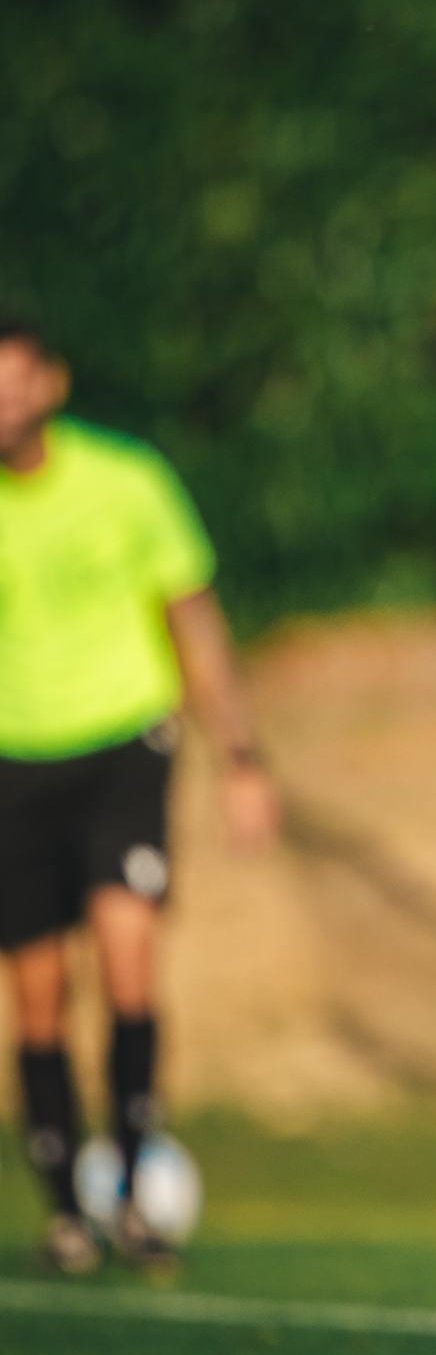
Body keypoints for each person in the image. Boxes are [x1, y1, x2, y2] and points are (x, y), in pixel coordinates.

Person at [0, 314, 276, 1274]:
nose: (5, 401)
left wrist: (241, 756)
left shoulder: (128, 482)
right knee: (38, 998)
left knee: (129, 962)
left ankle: (131, 1197)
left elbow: (193, 620)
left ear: (54, 385)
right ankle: (65, 1210)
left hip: (125, 746)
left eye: (18, 381)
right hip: (14, 763)